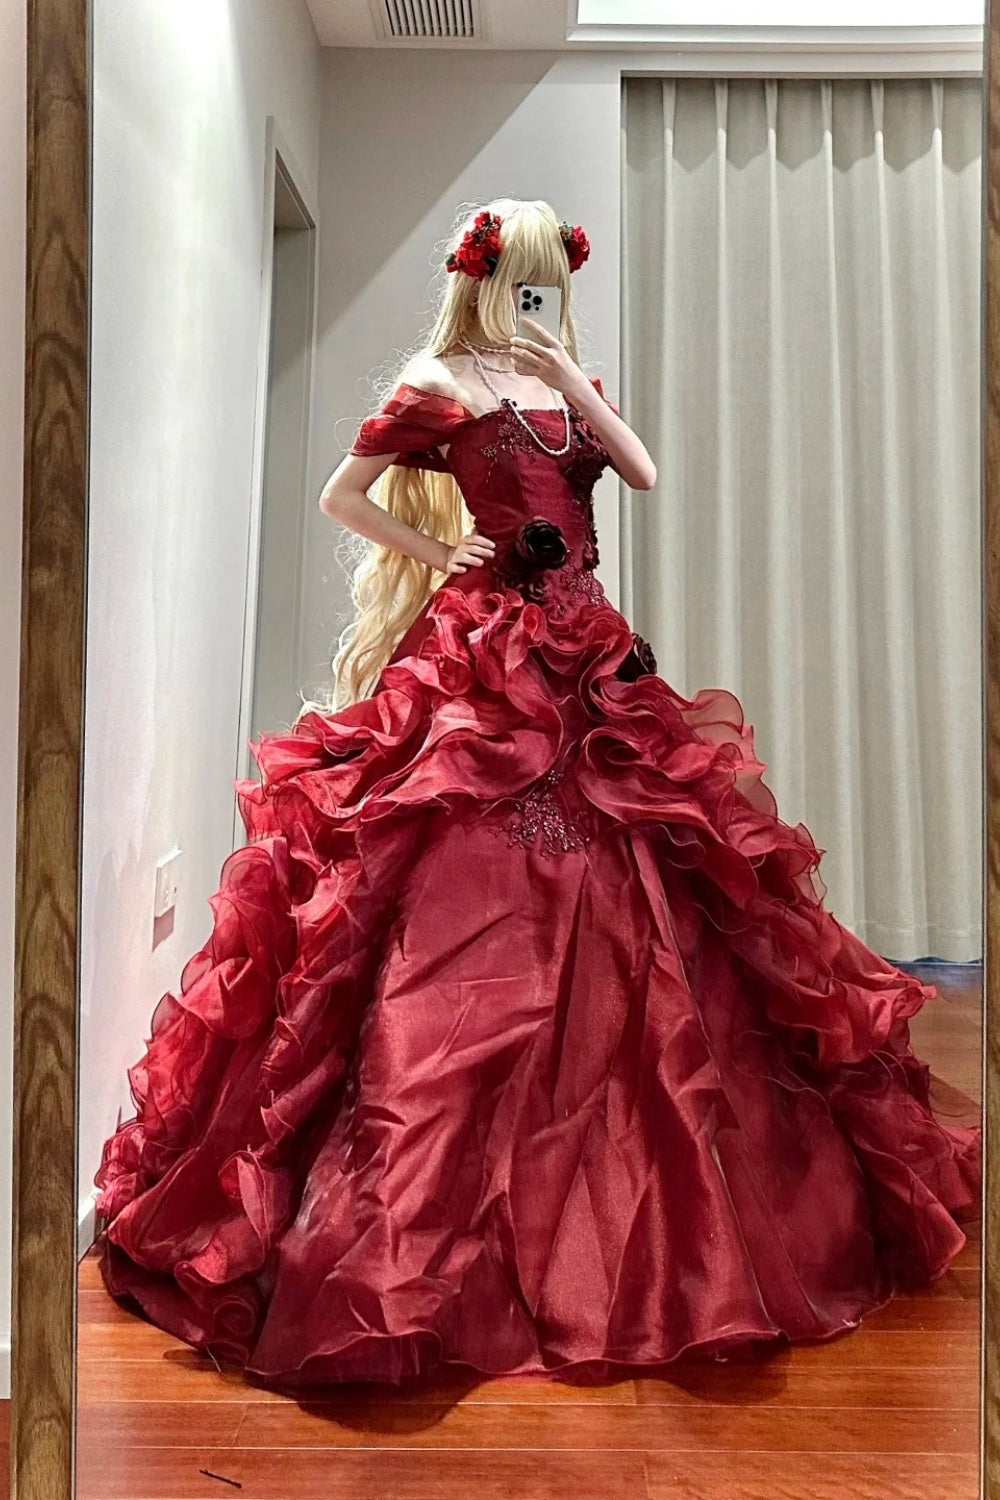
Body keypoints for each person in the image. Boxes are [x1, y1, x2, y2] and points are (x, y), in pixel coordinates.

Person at [94, 197, 981, 1388]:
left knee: (654, 875)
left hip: (589, 648)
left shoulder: (565, 383)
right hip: (487, 653)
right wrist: (437, 554)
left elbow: (640, 472)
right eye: (515, 280)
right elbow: (343, 494)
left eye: (544, 283)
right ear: (479, 279)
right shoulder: (436, 381)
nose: (530, 299)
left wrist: (568, 374)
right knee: (450, 883)